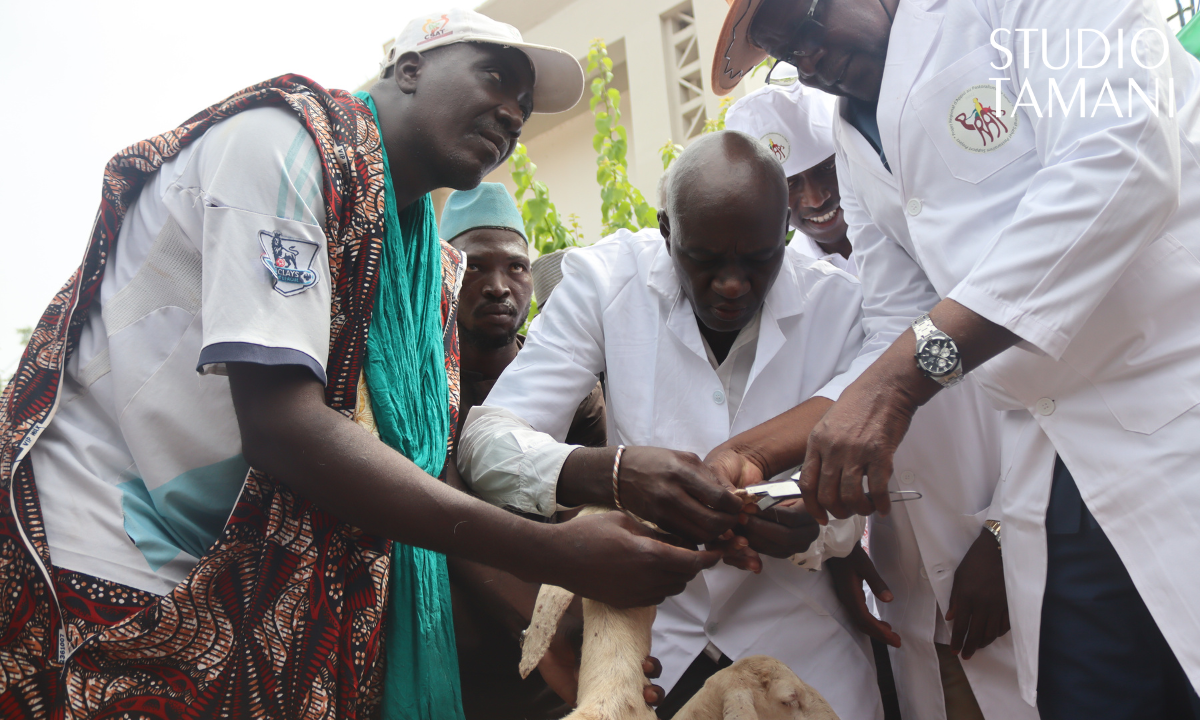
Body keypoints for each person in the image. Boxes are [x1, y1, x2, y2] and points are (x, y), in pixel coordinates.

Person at [0, 9, 723, 718]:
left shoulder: (423, 277)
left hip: (252, 606)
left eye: (525, 107)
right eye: (495, 78)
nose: (512, 113)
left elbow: (424, 469)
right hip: (108, 557)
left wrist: (541, 618)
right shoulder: (283, 145)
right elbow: (283, 425)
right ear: (408, 68)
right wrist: (555, 551)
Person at [711, 0, 1200, 717]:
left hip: (1175, 406)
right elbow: (893, 326)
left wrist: (902, 382)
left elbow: (1121, 159)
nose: (811, 56)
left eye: (812, 20)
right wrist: (753, 452)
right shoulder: (854, 138)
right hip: (1055, 464)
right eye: (792, 51)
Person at [459, 131, 884, 720]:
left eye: (759, 259)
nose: (733, 284)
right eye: (705, 261)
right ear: (666, 230)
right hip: (656, 656)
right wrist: (615, 475)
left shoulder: (843, 308)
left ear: (786, 229)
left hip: (807, 653)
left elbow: (860, 493)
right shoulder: (604, 281)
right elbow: (487, 444)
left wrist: (813, 530)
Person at [721, 71, 1034, 720]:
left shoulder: (938, 247)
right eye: (790, 186)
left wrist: (1008, 531)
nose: (814, 197)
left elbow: (1041, 398)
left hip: (1012, 548)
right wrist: (835, 549)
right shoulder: (787, 297)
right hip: (906, 590)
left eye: (824, 171)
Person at [436, 182, 610, 719]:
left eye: (515, 267)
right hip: (459, 652)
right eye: (473, 267)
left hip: (564, 637)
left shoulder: (571, 387)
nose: (497, 286)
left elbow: (597, 503)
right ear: (444, 278)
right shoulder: (423, 389)